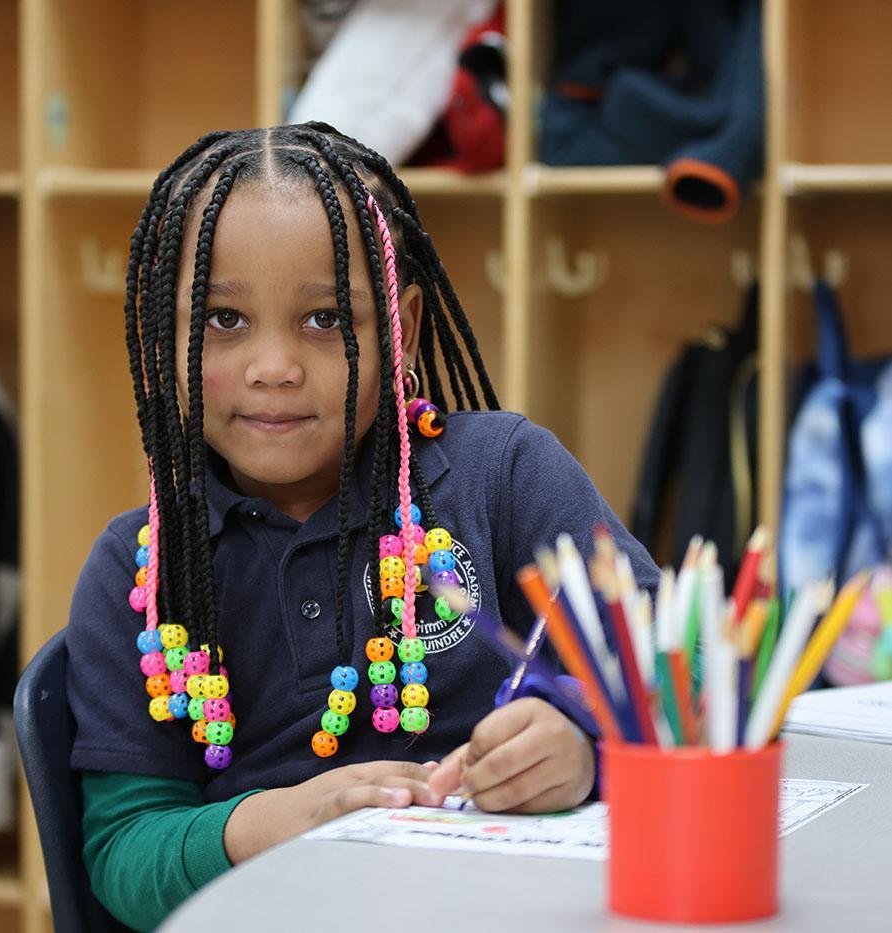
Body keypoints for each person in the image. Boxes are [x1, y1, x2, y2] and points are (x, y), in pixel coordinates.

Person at [66, 123, 658, 930]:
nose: (273, 366)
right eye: (222, 319)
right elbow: (122, 851)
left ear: (401, 329)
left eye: (323, 320)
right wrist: (266, 824)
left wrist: (587, 744)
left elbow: (671, 668)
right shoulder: (140, 571)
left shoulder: (506, 475)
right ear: (162, 341)